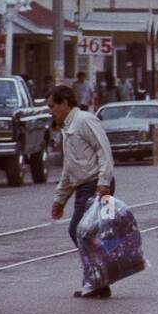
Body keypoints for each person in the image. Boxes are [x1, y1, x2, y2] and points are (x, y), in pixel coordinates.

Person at [46, 84, 116, 298]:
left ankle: (99, 279)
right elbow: (70, 167)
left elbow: (104, 150)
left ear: (64, 104)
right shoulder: (67, 128)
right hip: (83, 186)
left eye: (52, 106)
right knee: (85, 233)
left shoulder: (84, 120)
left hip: (95, 184)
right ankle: (98, 280)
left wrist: (104, 183)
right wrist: (60, 199)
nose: (50, 111)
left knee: (82, 231)